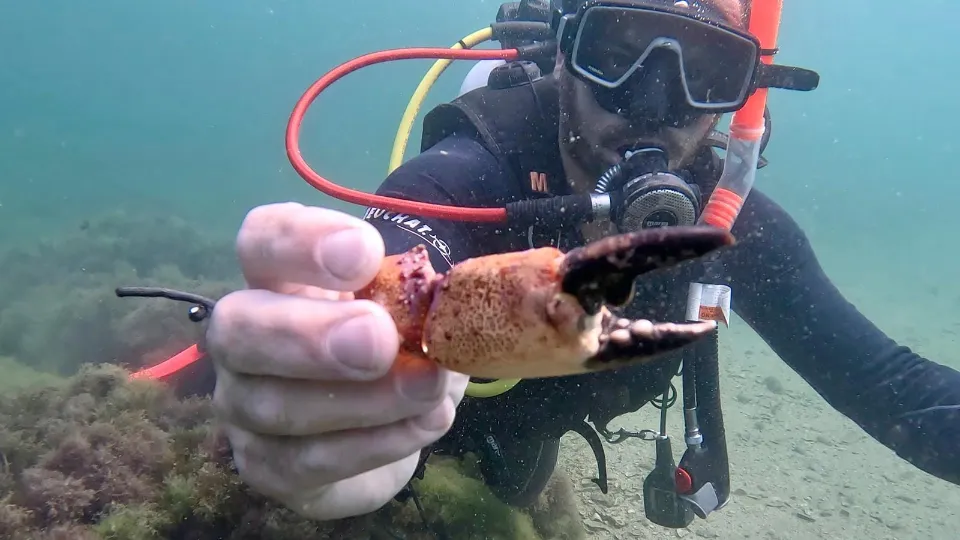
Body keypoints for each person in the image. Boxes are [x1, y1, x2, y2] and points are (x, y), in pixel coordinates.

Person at [203, 0, 960, 525]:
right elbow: (405, 239)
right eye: (619, 54)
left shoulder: (733, 227)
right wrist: (331, 336)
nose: (656, 103)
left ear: (745, 99)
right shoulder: (478, 165)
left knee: (513, 481)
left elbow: (890, 385)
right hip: (414, 431)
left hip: (519, 437)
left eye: (707, 69)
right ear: (562, 56)